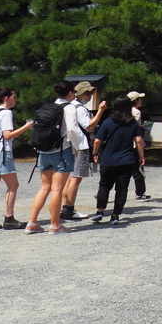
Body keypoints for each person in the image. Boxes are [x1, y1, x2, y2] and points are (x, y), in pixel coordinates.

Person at [26, 81, 80, 234]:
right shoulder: (69, 108)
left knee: (44, 188)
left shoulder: (49, 107)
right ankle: (55, 225)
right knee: (57, 189)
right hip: (61, 151)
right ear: (70, 93)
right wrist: (77, 147)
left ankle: (32, 222)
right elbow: (72, 130)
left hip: (44, 152)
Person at [0, 87, 33, 230]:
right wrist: (26, 127)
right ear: (6, 98)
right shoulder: (6, 113)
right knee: (13, 185)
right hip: (3, 152)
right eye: (14, 96)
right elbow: (8, 135)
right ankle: (9, 218)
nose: (16, 99)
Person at [89, 96, 146, 225]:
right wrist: (141, 156)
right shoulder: (133, 123)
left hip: (108, 159)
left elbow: (98, 140)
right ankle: (115, 215)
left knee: (104, 185)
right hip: (127, 159)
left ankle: (99, 211)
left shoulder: (108, 122)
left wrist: (95, 153)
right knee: (122, 188)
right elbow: (138, 141)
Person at [61, 81, 106, 221]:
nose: (90, 95)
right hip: (80, 144)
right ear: (79, 94)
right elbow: (89, 126)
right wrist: (100, 111)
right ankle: (69, 209)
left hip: (69, 145)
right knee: (75, 178)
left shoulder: (69, 106)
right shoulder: (80, 108)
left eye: (91, 92)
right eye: (87, 93)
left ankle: (65, 207)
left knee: (69, 178)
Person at [127, 91, 151, 201]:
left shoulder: (123, 111)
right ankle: (140, 192)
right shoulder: (136, 112)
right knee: (138, 169)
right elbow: (134, 128)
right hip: (134, 144)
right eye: (139, 99)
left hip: (122, 144)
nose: (141, 100)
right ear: (135, 100)